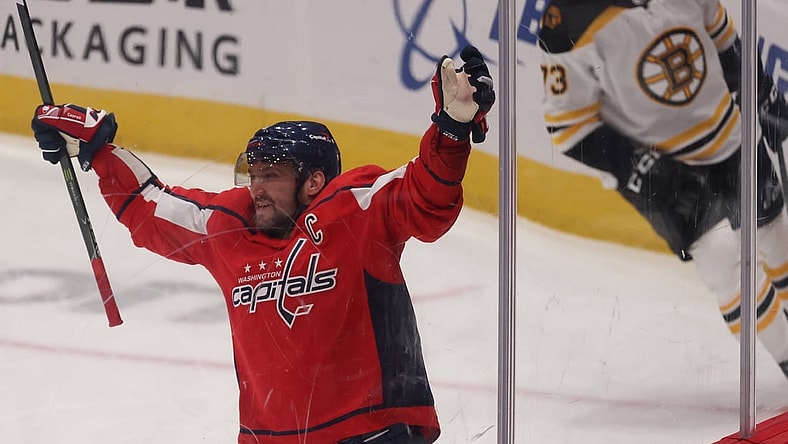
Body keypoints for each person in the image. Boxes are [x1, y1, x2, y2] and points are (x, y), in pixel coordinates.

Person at [29, 45, 495, 443]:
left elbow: (425, 198)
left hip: (373, 432)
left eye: (271, 176)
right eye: (253, 175)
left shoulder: (356, 210)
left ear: (314, 181)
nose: (257, 189)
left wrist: (452, 131)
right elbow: (149, 207)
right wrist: (97, 150)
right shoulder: (231, 227)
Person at [537, 0, 788, 377]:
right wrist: (643, 169)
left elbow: (724, 39)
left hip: (732, 138)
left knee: (776, 234)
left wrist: (761, 90)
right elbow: (567, 127)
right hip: (667, 172)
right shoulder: (566, 18)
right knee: (724, 265)